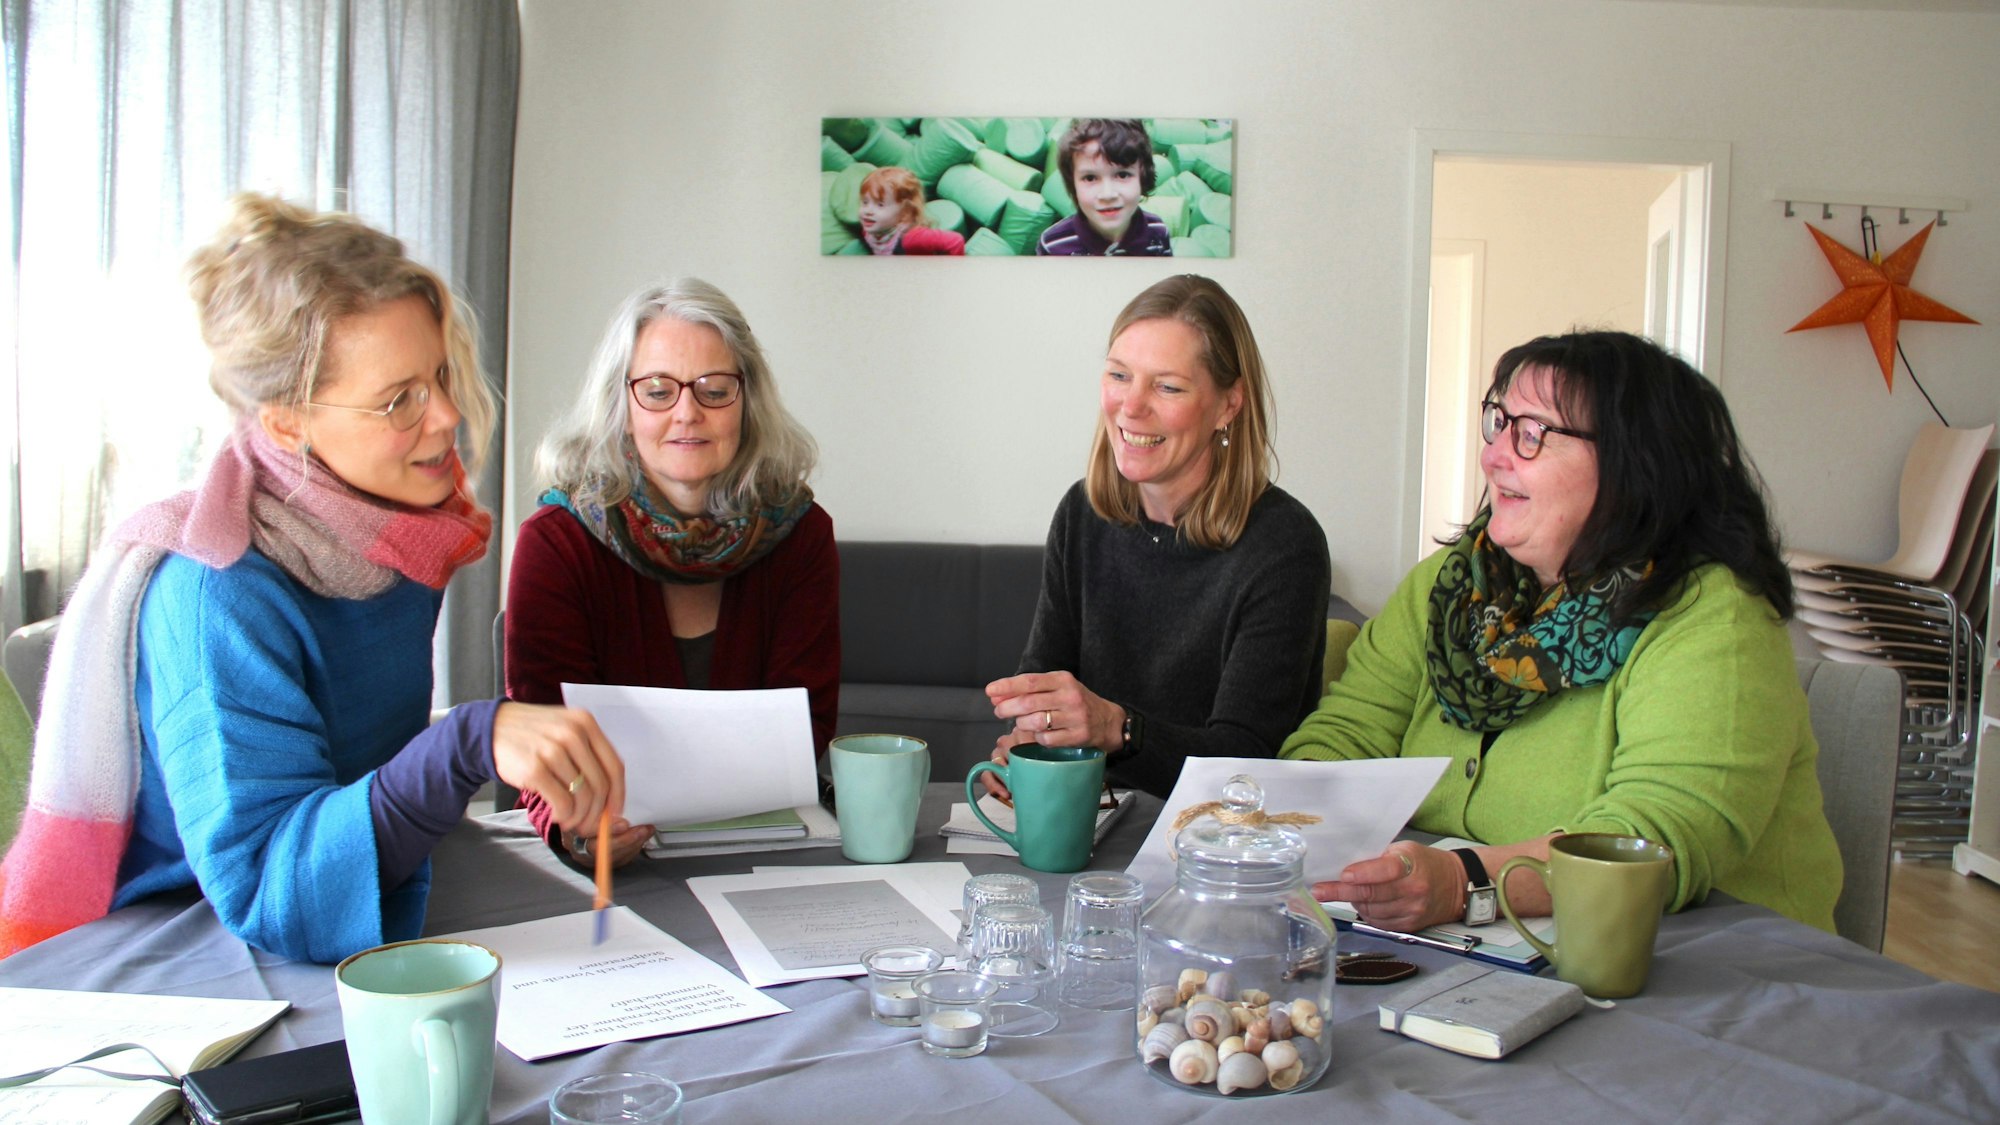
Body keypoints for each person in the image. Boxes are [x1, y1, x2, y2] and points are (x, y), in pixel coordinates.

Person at [0, 194, 625, 964]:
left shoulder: (386, 529)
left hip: (357, 890)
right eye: (399, 400)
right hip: (191, 932)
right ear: (288, 424)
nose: (446, 416)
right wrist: (468, 739)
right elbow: (271, 886)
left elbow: (345, 764)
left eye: (438, 375)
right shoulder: (216, 594)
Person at [1281, 331, 1841, 933]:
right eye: (1499, 424)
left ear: (1635, 464)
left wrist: (1462, 881)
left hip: (1704, 962)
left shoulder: (1714, 618)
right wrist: (1289, 827)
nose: (1494, 456)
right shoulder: (1449, 587)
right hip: (1480, 948)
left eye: (1533, 434)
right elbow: (1345, 737)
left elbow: (1655, 841)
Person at [507, 279, 838, 866]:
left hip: (758, 846)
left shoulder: (801, 534)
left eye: (714, 389)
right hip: (608, 862)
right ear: (621, 402)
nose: (688, 413)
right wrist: (580, 832)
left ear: (747, 399)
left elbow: (805, 723)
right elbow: (541, 738)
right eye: (657, 391)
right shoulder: (555, 543)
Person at [984, 275, 1329, 799]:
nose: (1132, 406)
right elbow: (1044, 678)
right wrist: (1028, 739)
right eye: (1119, 375)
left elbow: (1245, 762)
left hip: (1217, 839)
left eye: (1167, 386)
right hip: (1091, 816)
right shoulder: (1081, 513)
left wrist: (1120, 731)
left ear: (1228, 405)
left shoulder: (1285, 545)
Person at [1035, 119, 1173, 257]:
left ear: (1143, 178)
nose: (1107, 194)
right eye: (1090, 178)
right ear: (1073, 184)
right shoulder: (1053, 246)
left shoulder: (1158, 233)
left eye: (1123, 175)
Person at [856, 166, 966, 256]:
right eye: (865, 202)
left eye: (880, 205)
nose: (868, 211)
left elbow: (956, 241)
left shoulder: (912, 238)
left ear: (904, 212)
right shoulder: (869, 228)